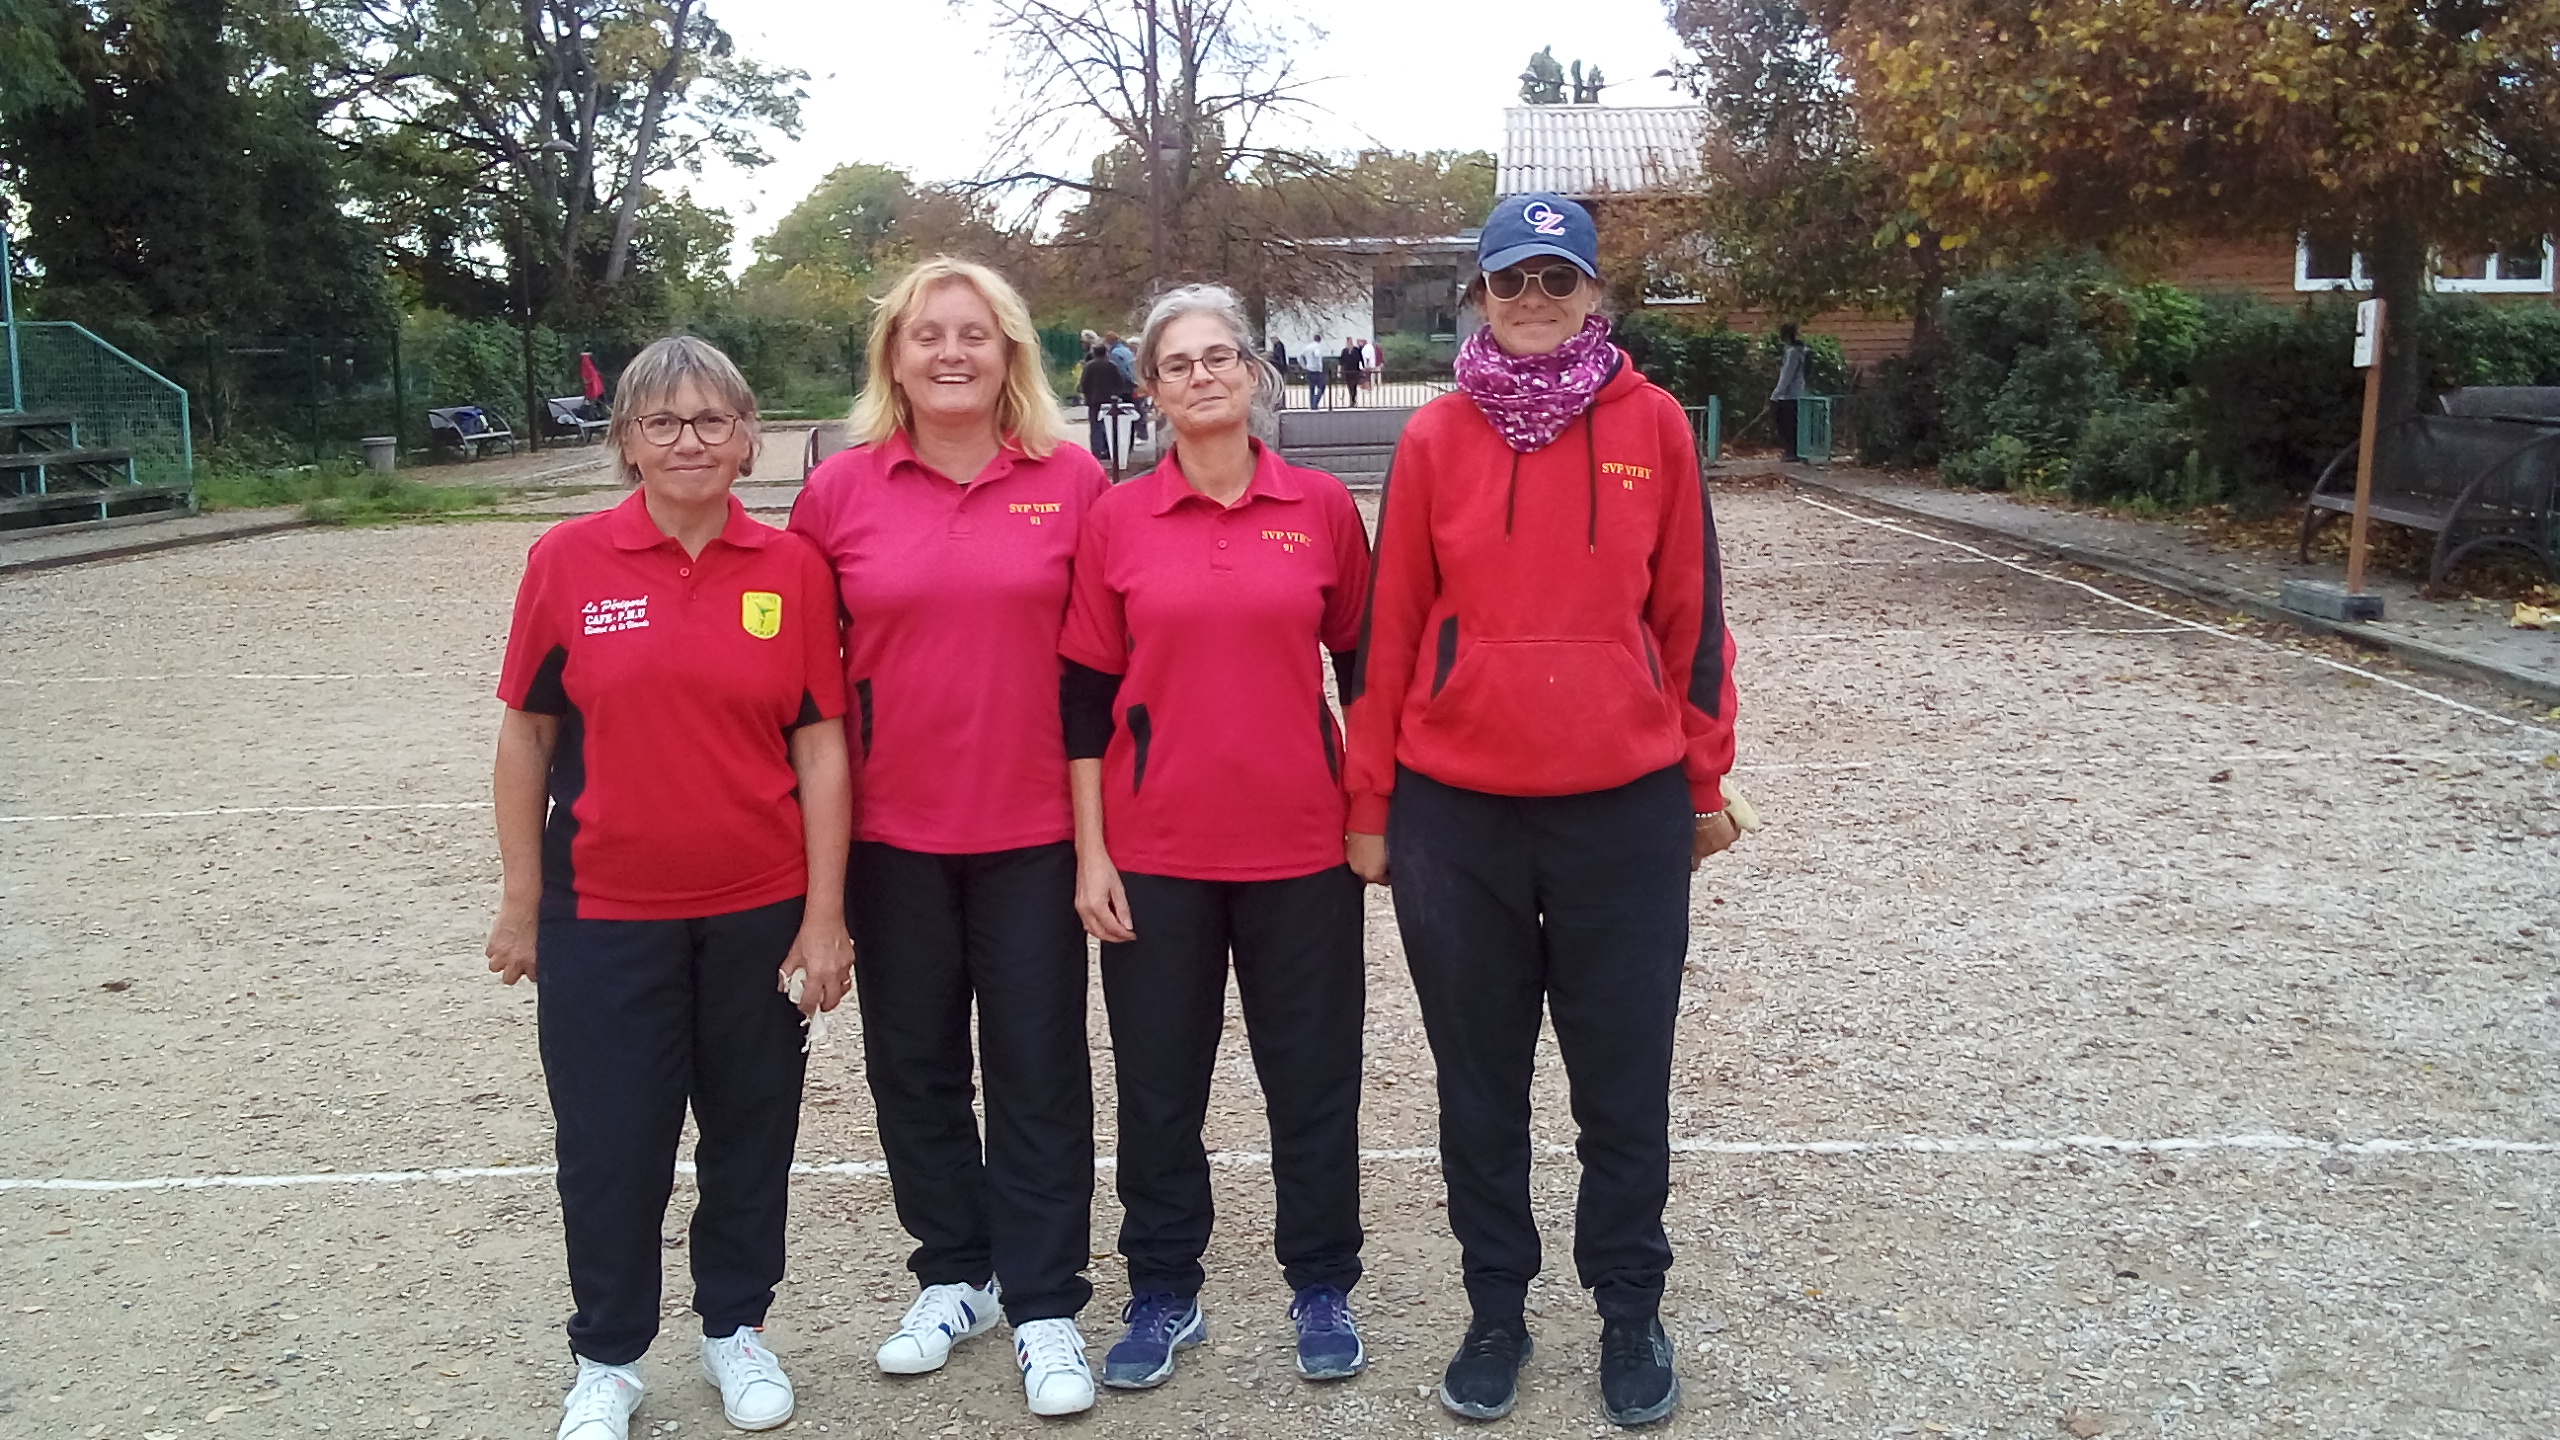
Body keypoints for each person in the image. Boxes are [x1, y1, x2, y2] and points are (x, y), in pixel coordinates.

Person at [1341, 192, 1739, 1430]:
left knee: (1622, 1077)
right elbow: (1387, 630)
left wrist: (1702, 779)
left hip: (1619, 810)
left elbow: (1693, 619)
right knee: (1479, 1077)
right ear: (1479, 292)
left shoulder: (1653, 425)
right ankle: (1496, 1307)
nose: (1532, 303)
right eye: (1510, 281)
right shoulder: (1433, 439)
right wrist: (1372, 803)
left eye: (1556, 282)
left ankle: (1630, 1306)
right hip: (1458, 814)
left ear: (1595, 296)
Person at [486, 335, 852, 1440]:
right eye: (662, 423)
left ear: (749, 438)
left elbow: (822, 746)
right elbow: (527, 737)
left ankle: (735, 1331)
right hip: (602, 915)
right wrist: (519, 896)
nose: (688, 440)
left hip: (758, 913)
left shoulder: (792, 568)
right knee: (612, 1144)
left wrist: (825, 917)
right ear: (626, 443)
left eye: (711, 421)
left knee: (750, 1135)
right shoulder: (567, 560)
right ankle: (606, 1358)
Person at [789, 257, 1107, 1418]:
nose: (952, 352)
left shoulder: (1071, 481)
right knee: (913, 1069)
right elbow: (801, 681)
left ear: (1011, 351)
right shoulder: (839, 493)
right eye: (929, 336)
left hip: (1032, 830)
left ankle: (1045, 1303)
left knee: (1036, 1069)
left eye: (975, 333)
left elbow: (1106, 667)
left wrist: (1103, 834)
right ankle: (956, 1273)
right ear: (895, 358)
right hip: (892, 835)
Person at [1057, 283, 1375, 1394]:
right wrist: (1092, 851)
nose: (1201, 375)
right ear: (1149, 388)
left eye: (1219, 356)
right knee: (1157, 1088)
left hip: (1301, 849)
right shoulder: (1114, 519)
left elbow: (1363, 671)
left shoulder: (1322, 508)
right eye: (1176, 363)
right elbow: (1084, 701)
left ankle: (1321, 1281)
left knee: (1314, 1081)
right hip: (1157, 854)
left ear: (1254, 371)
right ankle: (1161, 1291)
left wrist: (1368, 811)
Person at [1080, 342, 1129, 469]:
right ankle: (1109, 450)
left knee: (1095, 425)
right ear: (1105, 352)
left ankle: (1096, 450)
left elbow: (1084, 383)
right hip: (1109, 399)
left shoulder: (1089, 366)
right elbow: (1119, 382)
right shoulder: (1111, 365)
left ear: (1094, 353)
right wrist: (1116, 394)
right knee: (1110, 425)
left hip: (1094, 399)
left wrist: (1087, 395)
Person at [1770, 322, 1809, 463]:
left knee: (1786, 425)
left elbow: (1787, 375)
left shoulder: (1793, 352)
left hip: (1789, 395)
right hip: (1797, 393)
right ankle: (1792, 451)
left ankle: (1791, 452)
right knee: (1791, 424)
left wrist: (1775, 394)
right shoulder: (1801, 350)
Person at [1338, 337, 1365, 407]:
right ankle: (1352, 399)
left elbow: (1361, 360)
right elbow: (1341, 362)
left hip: (1355, 370)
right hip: (1347, 371)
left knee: (1354, 385)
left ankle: (1353, 399)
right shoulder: (1344, 351)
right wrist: (1340, 371)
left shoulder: (1356, 350)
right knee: (1349, 386)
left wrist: (1363, 368)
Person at [1305, 335, 1329, 408]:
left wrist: (1304, 365)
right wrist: (1317, 365)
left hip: (1309, 369)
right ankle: (1315, 403)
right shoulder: (1317, 347)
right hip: (1317, 370)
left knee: (1311, 388)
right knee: (1322, 387)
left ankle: (1312, 404)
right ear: (1320, 340)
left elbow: (1300, 357)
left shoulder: (1307, 347)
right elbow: (1317, 354)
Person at [1268, 335, 1290, 408]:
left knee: (1280, 387)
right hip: (1281, 368)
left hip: (1280, 369)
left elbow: (1279, 358)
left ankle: (1281, 404)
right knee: (1280, 387)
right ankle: (1281, 404)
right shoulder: (1279, 346)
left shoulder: (1278, 346)